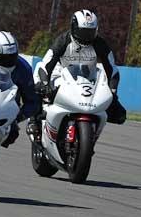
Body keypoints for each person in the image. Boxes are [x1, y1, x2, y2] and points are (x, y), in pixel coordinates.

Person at [27, 9, 126, 139]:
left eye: (90, 32)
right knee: (40, 85)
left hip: (87, 78)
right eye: (83, 32)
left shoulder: (100, 44)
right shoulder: (63, 40)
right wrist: (44, 84)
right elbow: (46, 64)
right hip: (60, 74)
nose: (86, 36)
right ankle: (34, 120)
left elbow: (112, 70)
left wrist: (112, 92)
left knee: (120, 115)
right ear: (74, 28)